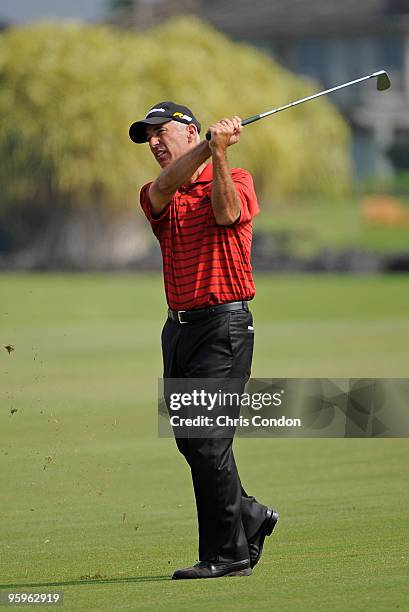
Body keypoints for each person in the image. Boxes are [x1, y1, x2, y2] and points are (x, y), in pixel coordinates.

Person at [129, 101, 279, 579]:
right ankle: (250, 515)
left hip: (224, 328)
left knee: (210, 443)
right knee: (191, 443)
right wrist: (208, 148)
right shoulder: (159, 193)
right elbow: (163, 187)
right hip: (178, 330)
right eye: (147, 136)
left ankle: (228, 554)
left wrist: (218, 155)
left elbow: (227, 214)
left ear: (190, 131)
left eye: (160, 131)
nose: (153, 141)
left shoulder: (237, 179)